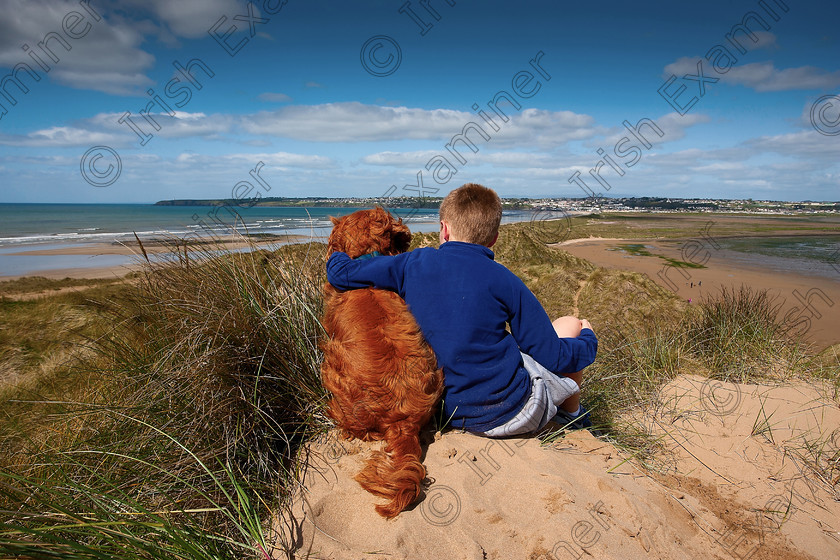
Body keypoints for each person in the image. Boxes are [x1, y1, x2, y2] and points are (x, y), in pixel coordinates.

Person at [326, 183, 597, 436]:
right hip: (512, 412)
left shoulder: (412, 263)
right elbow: (554, 356)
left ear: (444, 229)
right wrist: (588, 339)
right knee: (570, 324)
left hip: (443, 412)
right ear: (493, 239)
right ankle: (573, 417)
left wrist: (340, 246)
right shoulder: (505, 279)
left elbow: (340, 274)